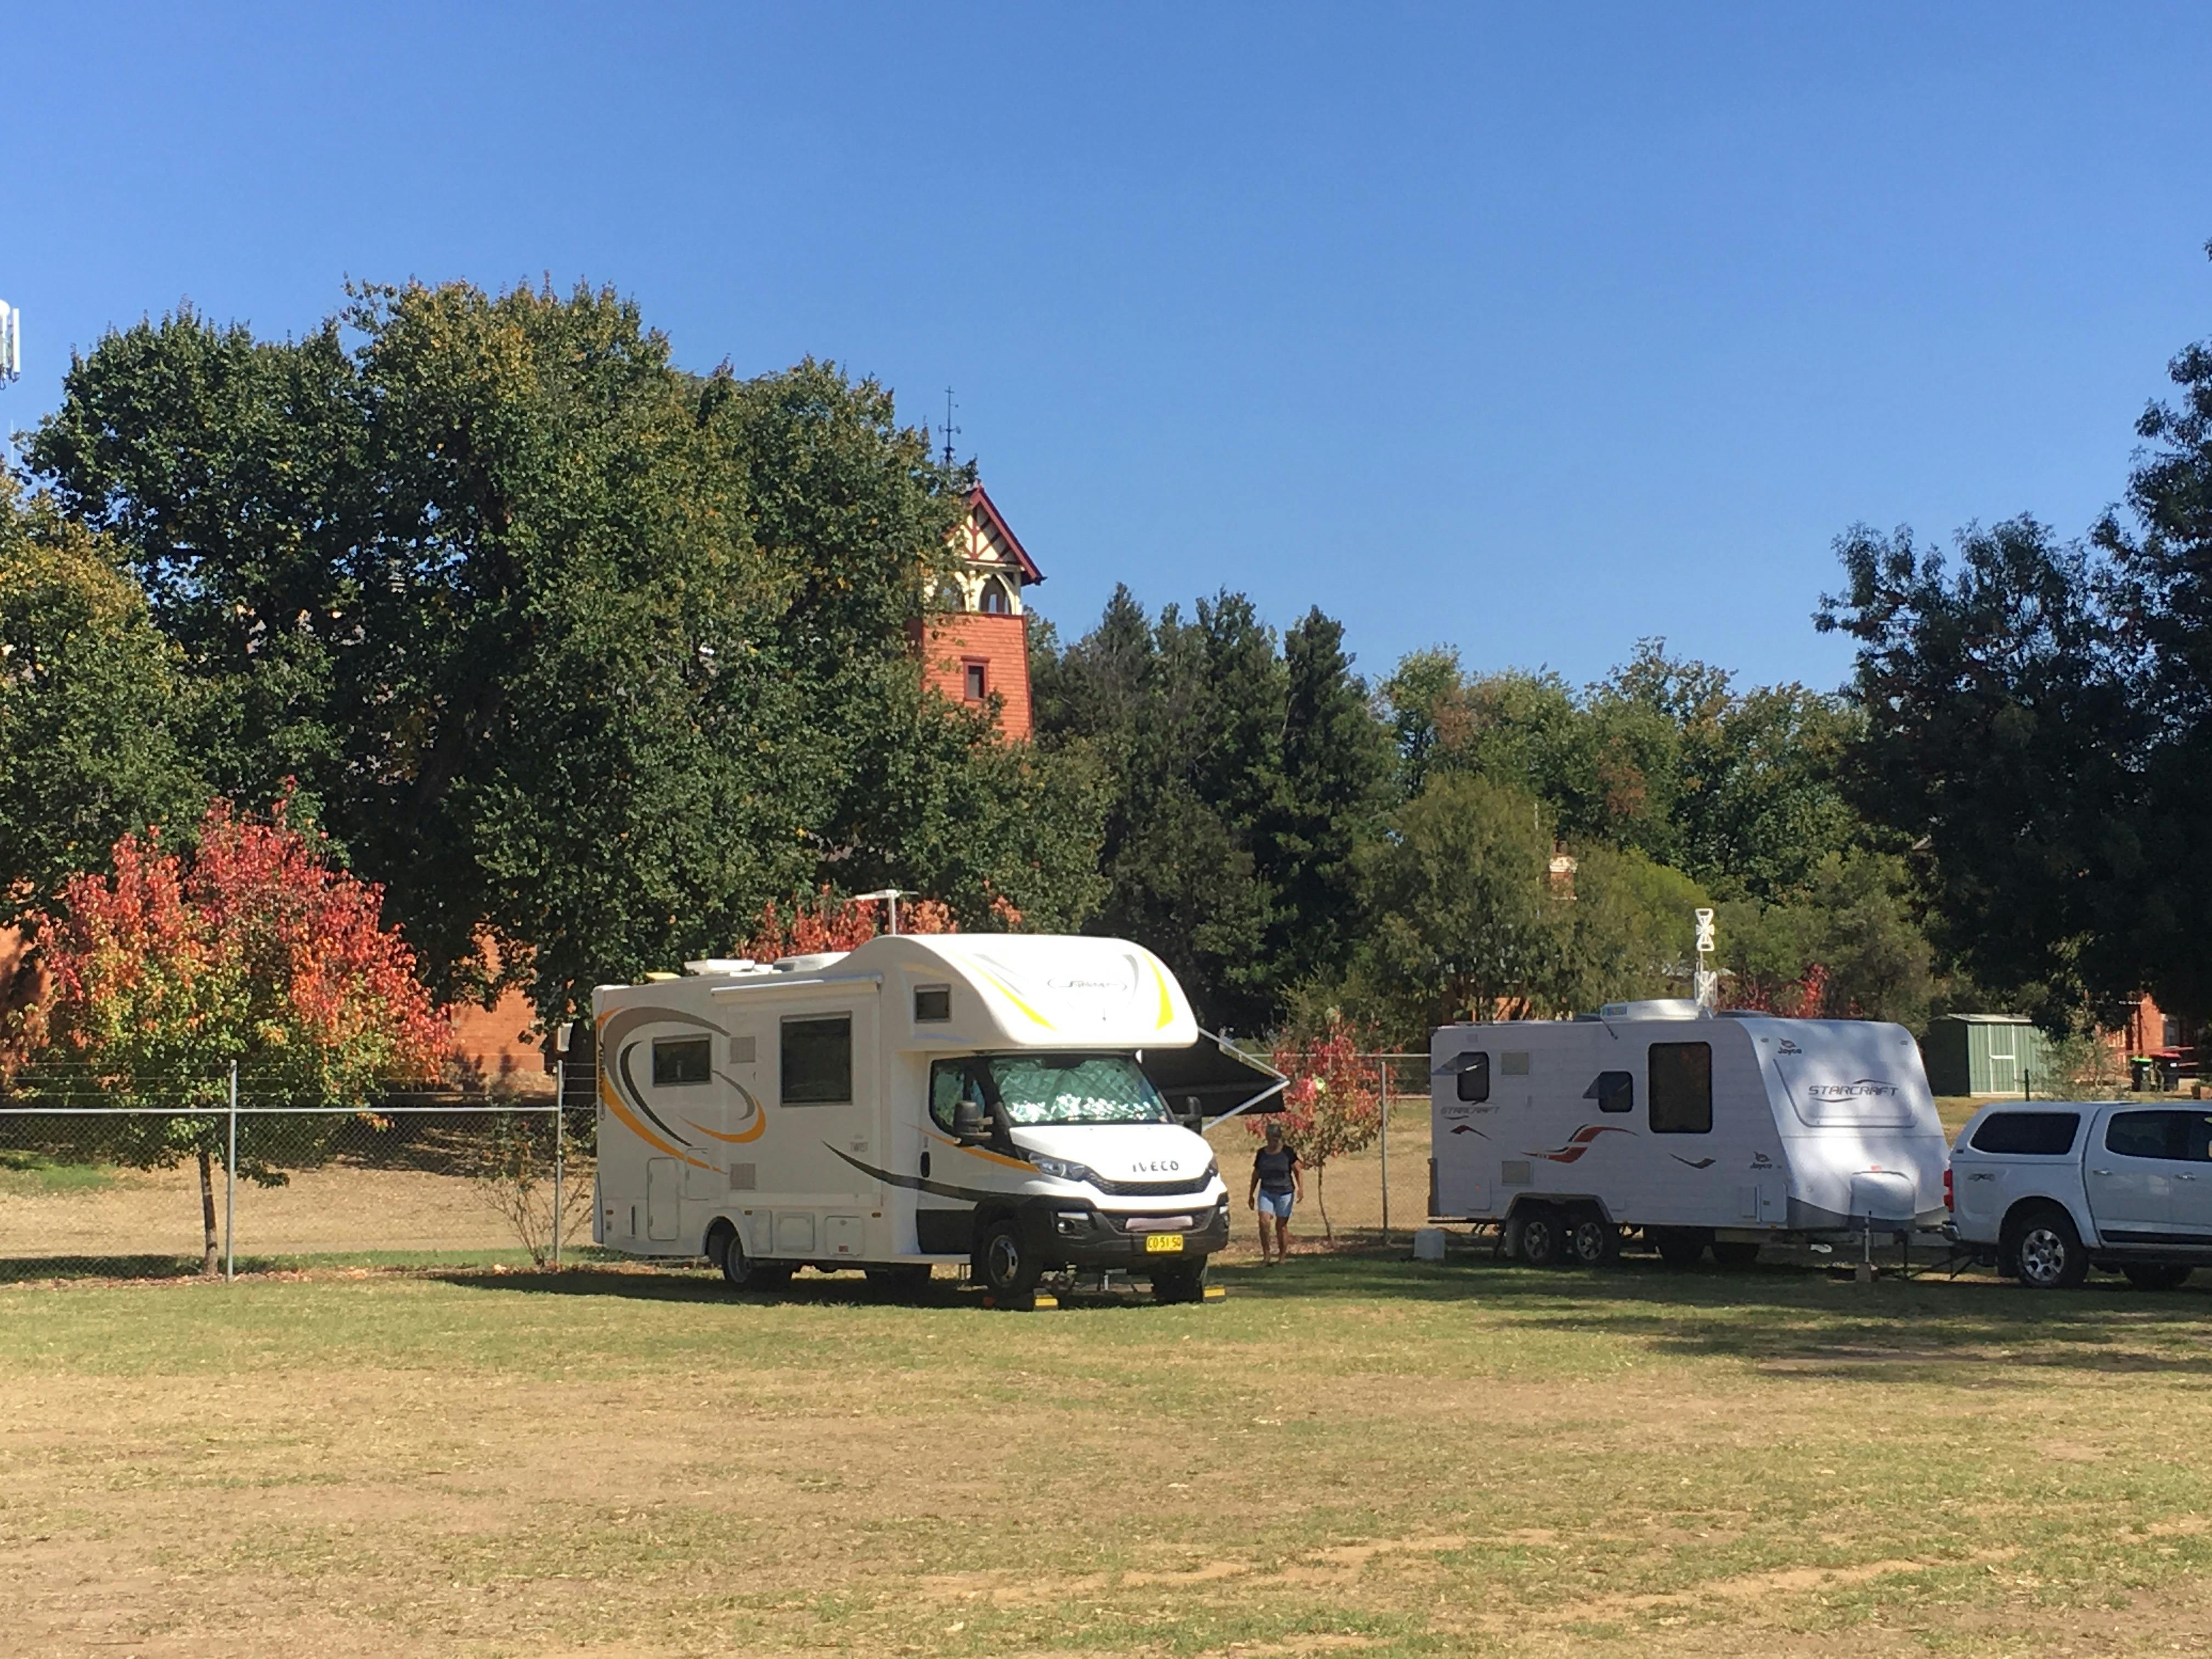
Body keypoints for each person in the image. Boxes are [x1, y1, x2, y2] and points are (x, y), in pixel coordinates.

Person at [1248, 1120, 1304, 1264]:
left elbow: (1298, 1169)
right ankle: (1266, 1255)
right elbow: (1256, 1174)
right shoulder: (1262, 1154)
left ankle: (1282, 1256)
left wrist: (1300, 1189)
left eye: (1276, 1139)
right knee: (1264, 1221)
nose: (1274, 1142)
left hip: (1285, 1192)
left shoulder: (1287, 1152)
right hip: (1267, 1191)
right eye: (1271, 1139)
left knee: (1281, 1226)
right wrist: (1251, 1195)